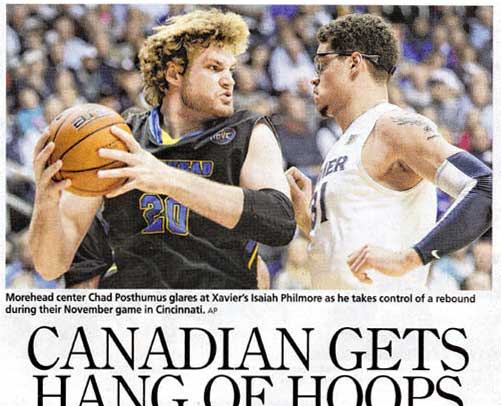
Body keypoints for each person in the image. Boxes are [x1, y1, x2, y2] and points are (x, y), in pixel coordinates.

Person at [28, 9, 295, 289]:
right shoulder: (118, 137)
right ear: (174, 73)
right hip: (139, 317)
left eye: (230, 69)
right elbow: (50, 266)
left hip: (221, 313)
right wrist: (46, 203)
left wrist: (165, 178)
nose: (229, 80)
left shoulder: (248, 130)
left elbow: (279, 222)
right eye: (214, 68)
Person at [286, 13, 491, 290]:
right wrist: (306, 221)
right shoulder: (343, 144)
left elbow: (486, 187)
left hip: (387, 323)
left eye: (321, 64)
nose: (314, 79)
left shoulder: (392, 127)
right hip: (337, 321)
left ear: (354, 63)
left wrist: (410, 258)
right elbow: (346, 253)